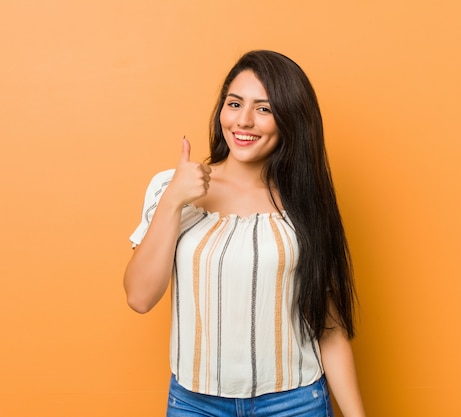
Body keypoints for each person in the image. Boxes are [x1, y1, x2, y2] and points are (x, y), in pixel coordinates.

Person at [124, 50, 365, 417]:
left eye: (264, 109)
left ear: (290, 120)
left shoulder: (305, 205)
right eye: (234, 104)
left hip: (295, 405)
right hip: (194, 405)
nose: (244, 121)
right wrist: (173, 199)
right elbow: (139, 297)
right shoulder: (172, 189)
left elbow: (328, 327)